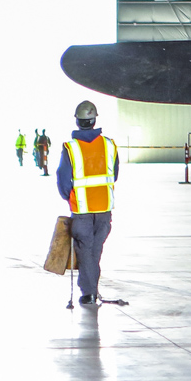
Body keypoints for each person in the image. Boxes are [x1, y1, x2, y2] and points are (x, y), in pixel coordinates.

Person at [56, 101, 118, 305]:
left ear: (78, 121)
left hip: (82, 210)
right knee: (95, 252)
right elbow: (114, 174)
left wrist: (70, 197)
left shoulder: (71, 148)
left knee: (85, 251)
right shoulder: (109, 145)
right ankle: (91, 291)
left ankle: (89, 293)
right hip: (104, 210)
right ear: (93, 121)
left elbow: (63, 181)